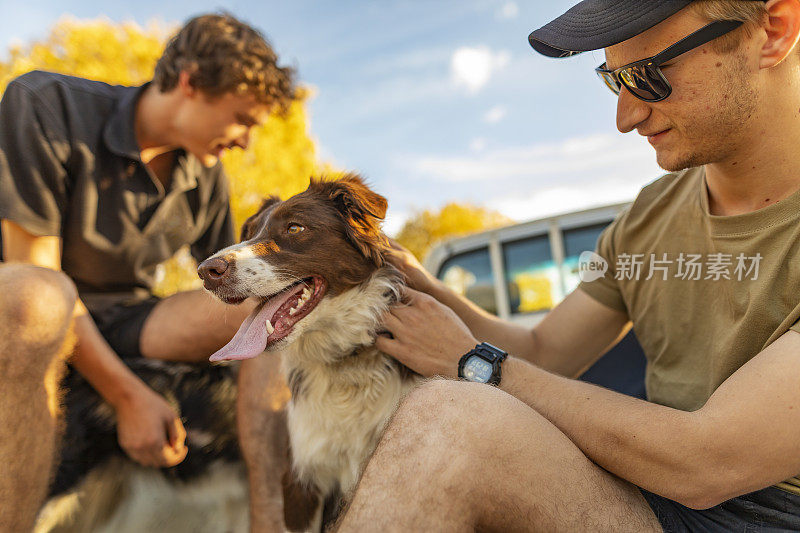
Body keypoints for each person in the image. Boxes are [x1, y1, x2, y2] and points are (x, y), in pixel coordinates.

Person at [334, 0, 800, 531]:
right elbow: (545, 351)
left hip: (762, 509)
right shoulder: (647, 218)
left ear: (774, 31)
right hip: (653, 497)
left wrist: (473, 364)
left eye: (649, 75)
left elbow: (707, 462)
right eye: (612, 79)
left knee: (450, 421)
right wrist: (421, 282)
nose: (625, 117)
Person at [0, 13, 293, 532]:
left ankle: (268, 520)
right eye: (243, 119)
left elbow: (234, 279)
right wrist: (129, 397)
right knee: (40, 299)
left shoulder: (206, 174)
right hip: (34, 309)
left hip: (130, 316)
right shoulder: (44, 104)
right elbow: (35, 277)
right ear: (191, 83)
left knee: (266, 301)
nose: (247, 141)